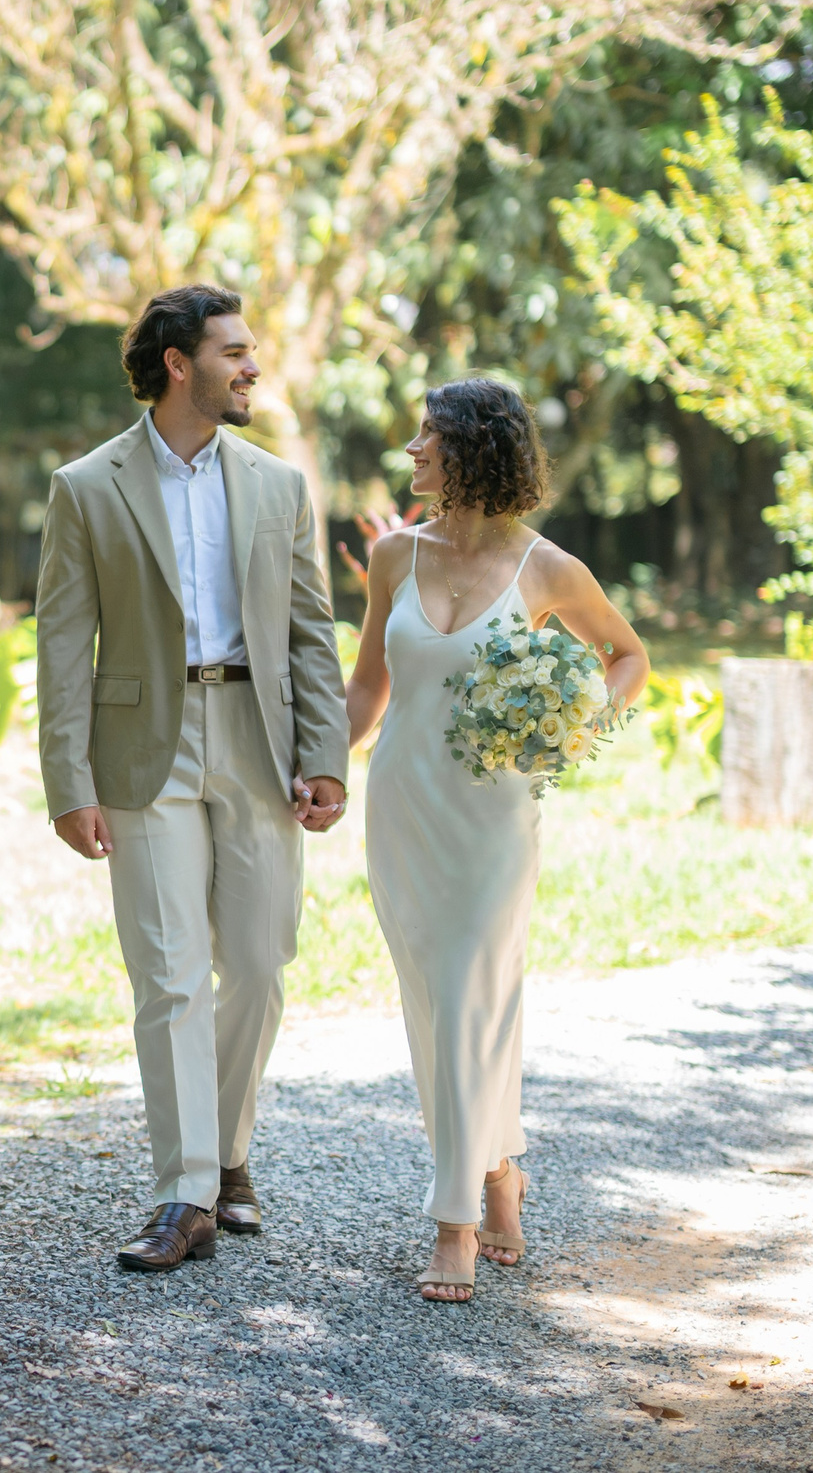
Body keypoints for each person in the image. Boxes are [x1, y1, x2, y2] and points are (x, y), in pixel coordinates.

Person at [35, 283, 351, 1272]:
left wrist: (324, 755)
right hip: (143, 745)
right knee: (168, 974)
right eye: (233, 352)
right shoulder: (86, 486)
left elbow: (309, 631)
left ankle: (225, 1153)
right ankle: (186, 1190)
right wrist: (68, 779)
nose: (252, 367)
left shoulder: (278, 485)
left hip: (258, 735)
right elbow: (61, 643)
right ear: (178, 364)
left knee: (257, 963)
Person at [341, 377, 649, 1304]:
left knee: (471, 996)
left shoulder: (547, 568)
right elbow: (369, 685)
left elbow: (628, 657)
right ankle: (500, 1170)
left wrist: (575, 727)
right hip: (402, 807)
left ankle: (455, 1225)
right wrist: (319, 768)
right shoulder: (394, 556)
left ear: (473, 447)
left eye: (427, 436)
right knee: (439, 1006)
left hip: (494, 817)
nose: (412, 450)